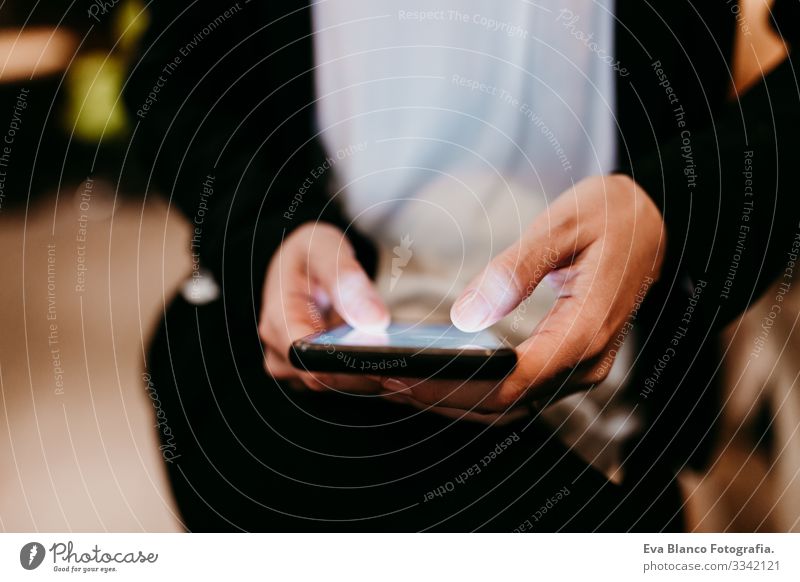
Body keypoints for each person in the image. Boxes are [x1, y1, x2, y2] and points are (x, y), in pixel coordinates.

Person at [125, 1, 800, 531]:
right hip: (316, 340)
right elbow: (170, 76)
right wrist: (266, 234)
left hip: (616, 382)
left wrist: (672, 211)